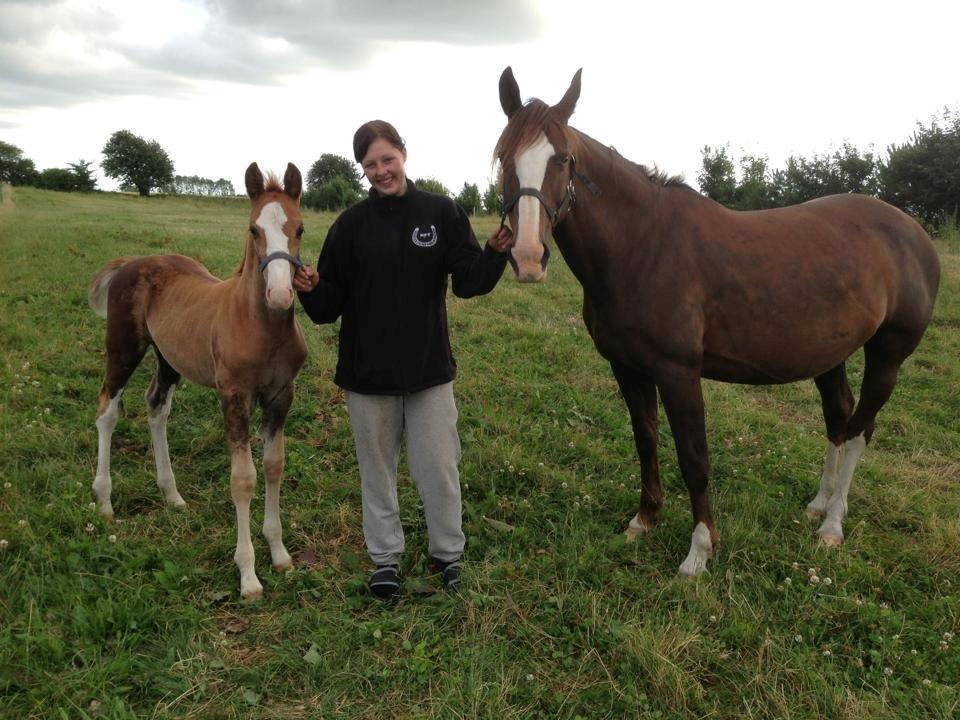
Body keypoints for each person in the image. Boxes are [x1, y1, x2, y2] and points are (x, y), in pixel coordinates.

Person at [294, 120, 512, 599]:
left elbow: (469, 281)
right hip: (367, 376)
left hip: (429, 371)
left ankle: (447, 555)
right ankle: (385, 559)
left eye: (387, 159)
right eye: (370, 164)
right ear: (362, 170)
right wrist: (311, 290)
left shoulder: (440, 213)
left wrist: (495, 253)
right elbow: (329, 307)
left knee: (438, 468)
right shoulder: (349, 226)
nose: (380, 171)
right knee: (377, 472)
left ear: (404, 154)